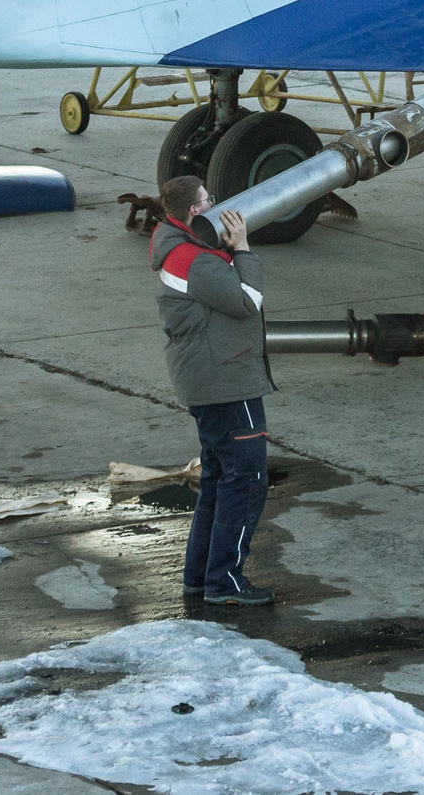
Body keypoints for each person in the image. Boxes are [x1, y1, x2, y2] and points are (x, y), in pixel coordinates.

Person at [151, 173, 276, 607]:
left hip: (209, 380)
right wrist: (242, 249)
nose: (216, 204)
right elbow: (247, 301)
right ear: (195, 211)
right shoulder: (195, 260)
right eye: (208, 199)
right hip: (226, 382)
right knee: (247, 479)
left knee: (219, 478)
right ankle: (225, 582)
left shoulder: (178, 248)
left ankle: (201, 576)